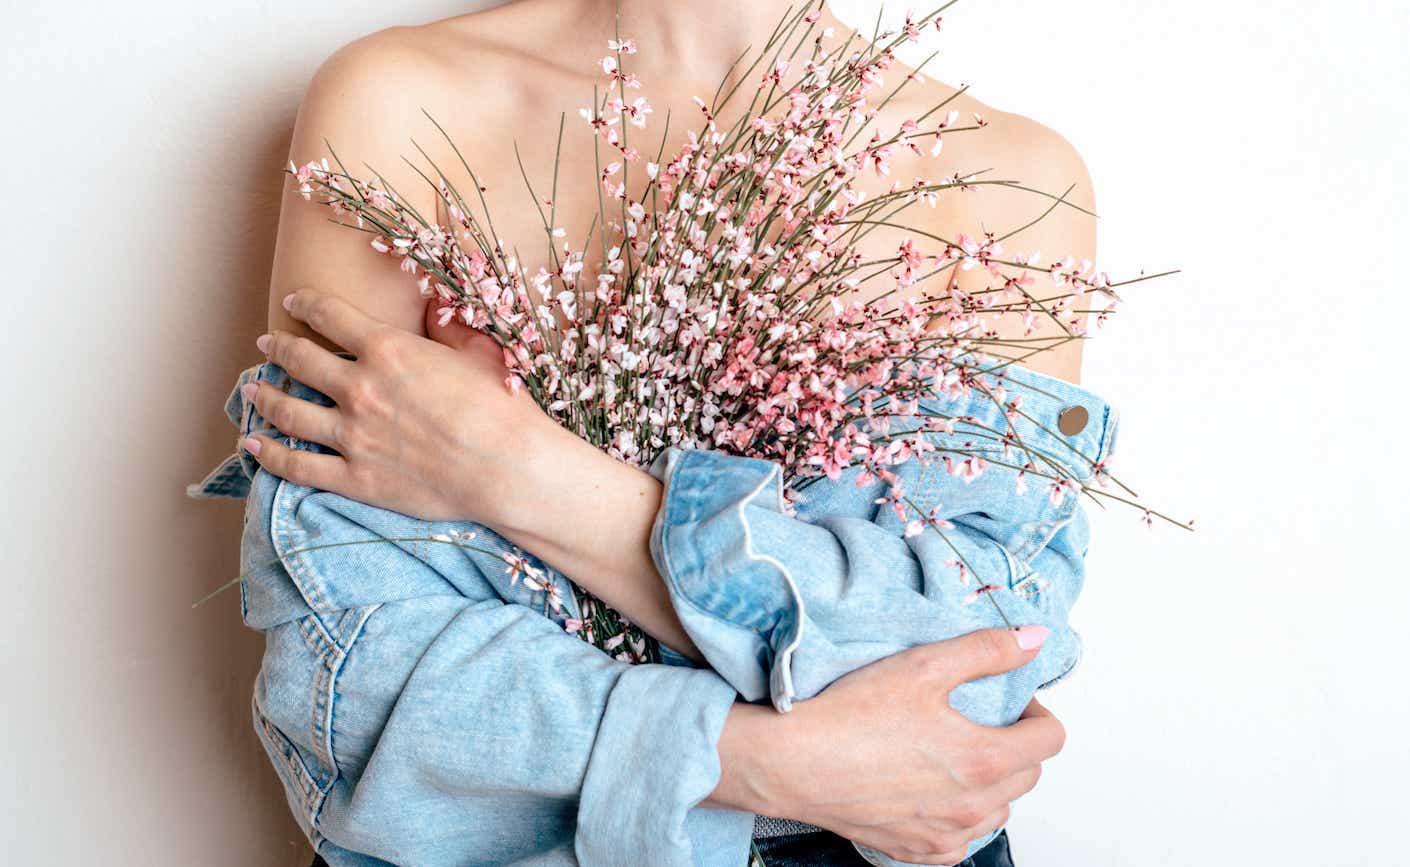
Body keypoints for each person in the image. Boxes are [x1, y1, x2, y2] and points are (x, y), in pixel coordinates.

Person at [190, 2, 1106, 864]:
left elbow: (976, 676)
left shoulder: (1006, 186)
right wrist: (756, 761)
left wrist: (520, 473)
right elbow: (348, 686)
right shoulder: (405, 107)